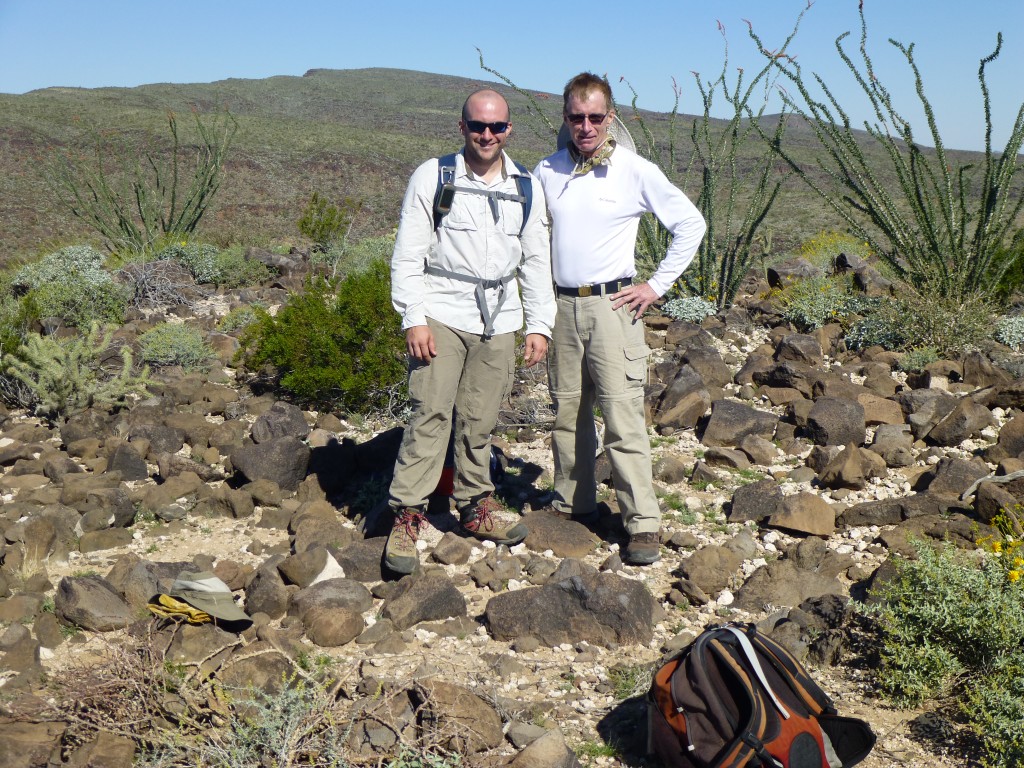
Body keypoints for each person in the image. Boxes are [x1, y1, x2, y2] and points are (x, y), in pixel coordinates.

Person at [533, 73, 706, 566]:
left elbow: (691, 224)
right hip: (561, 305)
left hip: (615, 307)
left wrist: (655, 286)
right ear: (564, 118)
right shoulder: (547, 171)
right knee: (567, 413)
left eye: (594, 117)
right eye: (575, 117)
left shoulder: (634, 170)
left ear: (610, 117)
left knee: (622, 417)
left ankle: (643, 523)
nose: (585, 126)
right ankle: (573, 503)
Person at [386, 88, 556, 575]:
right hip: (441, 310)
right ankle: (409, 513)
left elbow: (536, 260)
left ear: (509, 130)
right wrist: (413, 317)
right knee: (431, 413)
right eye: (478, 126)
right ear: (461, 127)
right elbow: (408, 252)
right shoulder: (433, 175)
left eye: (497, 127)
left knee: (480, 419)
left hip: (499, 318)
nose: (487, 135)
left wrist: (538, 323)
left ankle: (475, 504)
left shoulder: (525, 185)